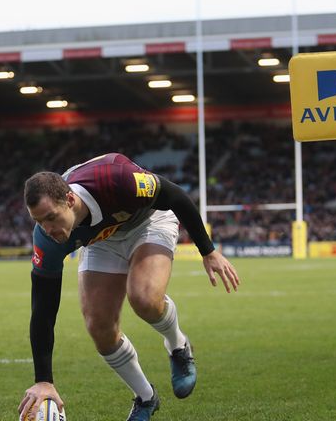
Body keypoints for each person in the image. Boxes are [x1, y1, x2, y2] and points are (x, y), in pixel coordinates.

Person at [18, 153, 240, 421]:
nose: (47, 228)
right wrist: (44, 380)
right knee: (99, 326)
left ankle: (178, 346)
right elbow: (43, 308)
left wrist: (208, 251)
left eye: (51, 218)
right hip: (102, 240)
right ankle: (146, 398)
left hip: (148, 221)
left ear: (70, 200)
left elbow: (176, 195)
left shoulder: (117, 180)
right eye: (38, 221)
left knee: (144, 298)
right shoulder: (46, 238)